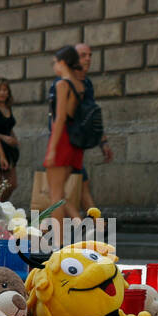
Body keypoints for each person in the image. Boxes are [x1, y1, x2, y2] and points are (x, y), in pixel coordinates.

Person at [44, 46, 85, 232]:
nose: (54, 67)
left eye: (54, 63)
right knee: (60, 193)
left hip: (61, 140)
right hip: (74, 142)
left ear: (61, 62)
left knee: (55, 195)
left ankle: (59, 240)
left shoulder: (62, 84)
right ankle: (78, 223)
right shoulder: (79, 85)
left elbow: (60, 118)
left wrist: (52, 148)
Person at [72, 43, 113, 213]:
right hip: (66, 143)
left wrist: (103, 143)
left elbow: (92, 116)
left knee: (80, 185)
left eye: (89, 55)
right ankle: (95, 226)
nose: (88, 58)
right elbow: (59, 118)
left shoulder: (86, 83)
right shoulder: (65, 83)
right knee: (71, 188)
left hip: (76, 145)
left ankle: (94, 226)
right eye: (83, 55)